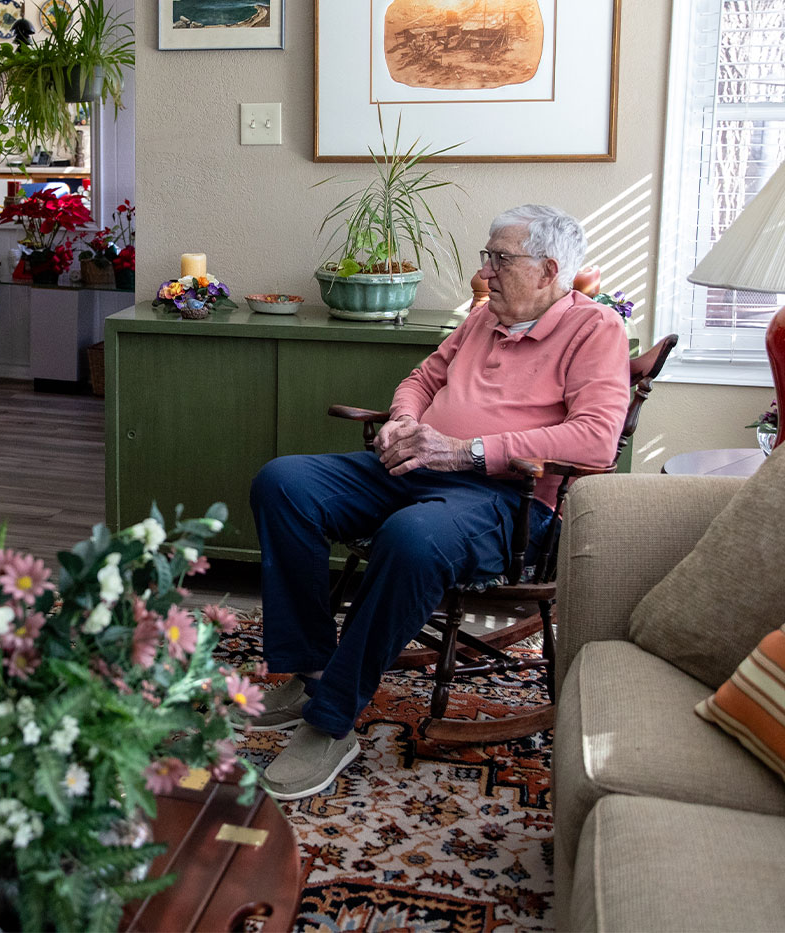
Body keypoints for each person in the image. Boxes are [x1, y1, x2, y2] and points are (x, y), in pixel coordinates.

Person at [249, 204, 630, 801]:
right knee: (283, 482)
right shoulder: (482, 320)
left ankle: (331, 721)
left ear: (549, 270)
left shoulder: (595, 330)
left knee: (413, 537)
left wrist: (471, 450)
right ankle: (312, 666)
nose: (487, 271)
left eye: (501, 259)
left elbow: (595, 438)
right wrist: (403, 420)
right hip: (420, 467)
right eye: (488, 256)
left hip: (508, 500)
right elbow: (423, 378)